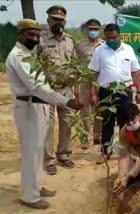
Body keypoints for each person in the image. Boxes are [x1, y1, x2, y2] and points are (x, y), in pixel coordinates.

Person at [5, 19, 83, 209]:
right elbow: (37, 87)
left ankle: (37, 186)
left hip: (39, 106)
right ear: (21, 34)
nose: (34, 38)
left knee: (38, 150)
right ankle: (29, 197)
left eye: (37, 34)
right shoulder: (19, 56)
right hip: (28, 107)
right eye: (30, 34)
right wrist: (67, 101)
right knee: (31, 153)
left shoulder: (31, 54)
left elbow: (45, 82)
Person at [88, 23, 140, 164]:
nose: (111, 41)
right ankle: (105, 152)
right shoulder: (99, 51)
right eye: (108, 38)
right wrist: (93, 94)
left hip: (124, 91)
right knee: (107, 123)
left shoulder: (129, 50)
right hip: (106, 92)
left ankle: (126, 152)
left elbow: (135, 71)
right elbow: (93, 73)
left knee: (126, 123)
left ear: (120, 36)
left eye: (114, 38)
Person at [39, 5, 77, 175]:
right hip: (48, 90)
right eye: (54, 19)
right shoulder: (40, 39)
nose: (58, 22)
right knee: (48, 125)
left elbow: (75, 63)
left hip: (66, 90)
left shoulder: (69, 39)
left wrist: (74, 81)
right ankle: (49, 160)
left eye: (60, 19)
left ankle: (64, 154)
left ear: (65, 21)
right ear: (48, 20)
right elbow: (33, 64)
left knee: (67, 123)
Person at [75, 18, 104, 148]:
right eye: (91, 29)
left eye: (96, 29)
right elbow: (75, 65)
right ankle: (85, 137)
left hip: (100, 82)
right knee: (84, 110)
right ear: (86, 29)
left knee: (99, 110)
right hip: (84, 81)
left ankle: (98, 136)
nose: (93, 31)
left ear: (100, 30)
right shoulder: (79, 45)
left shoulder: (104, 45)